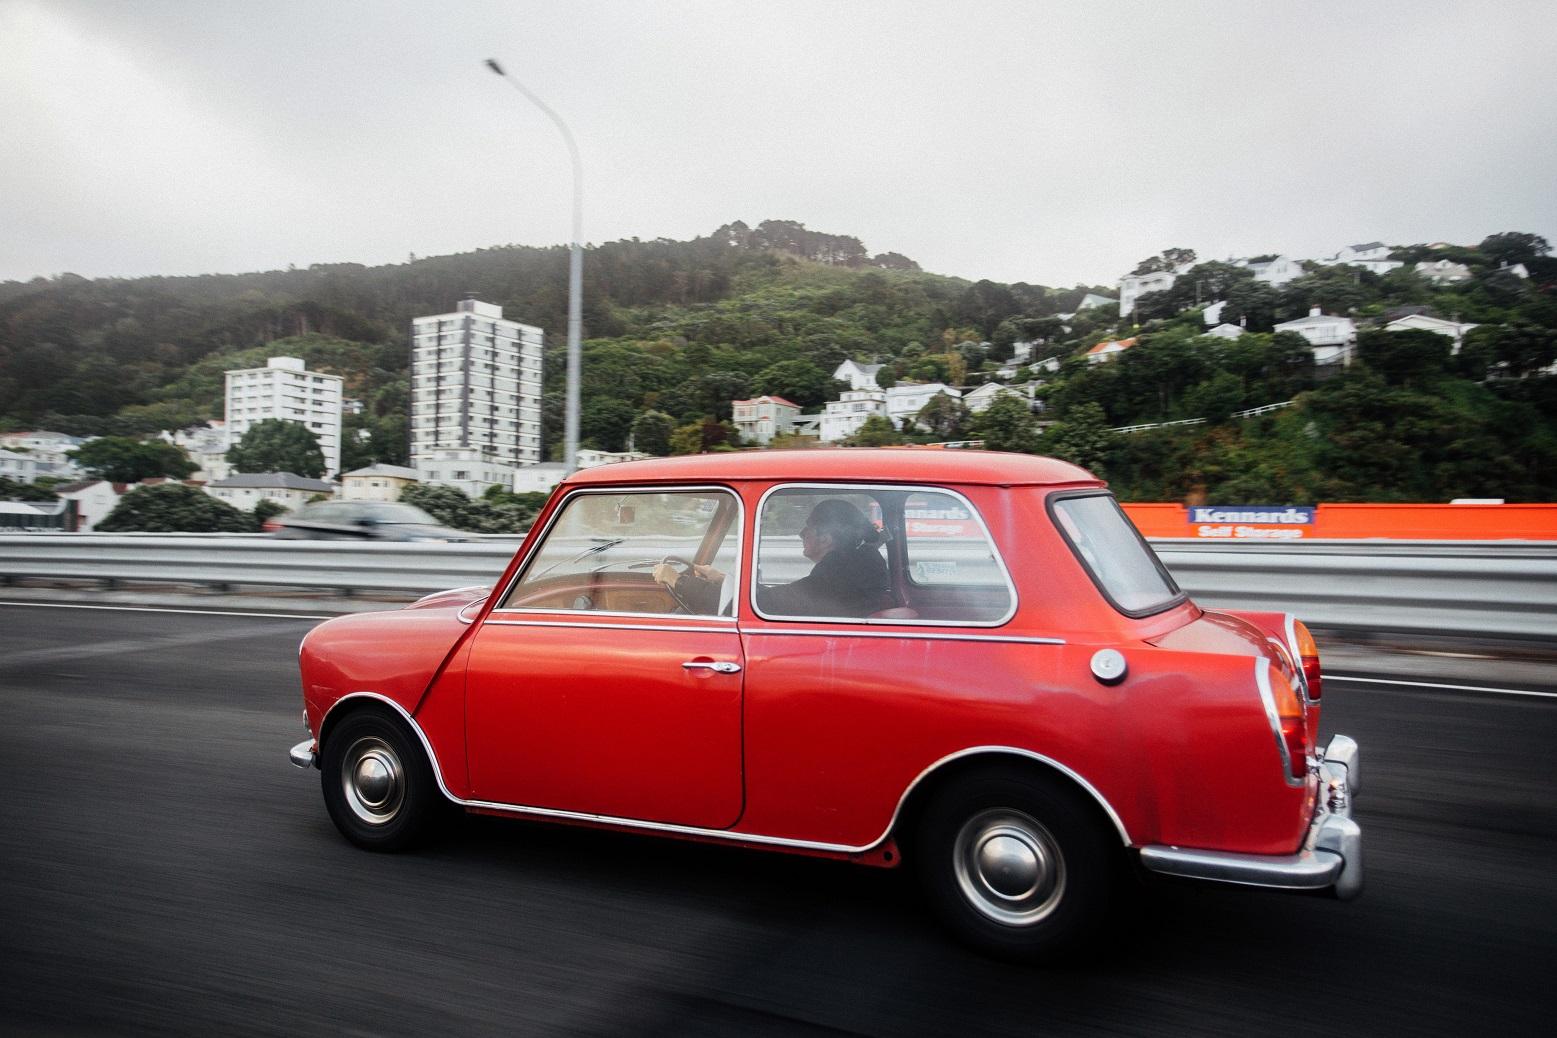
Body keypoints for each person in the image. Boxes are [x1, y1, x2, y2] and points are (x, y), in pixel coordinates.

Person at [653, 498, 893, 618]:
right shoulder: (853, 569)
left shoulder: (836, 577)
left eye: (808, 527)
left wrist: (678, 581)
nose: (801, 533)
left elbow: (768, 605)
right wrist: (724, 579)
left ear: (826, 538)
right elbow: (784, 600)